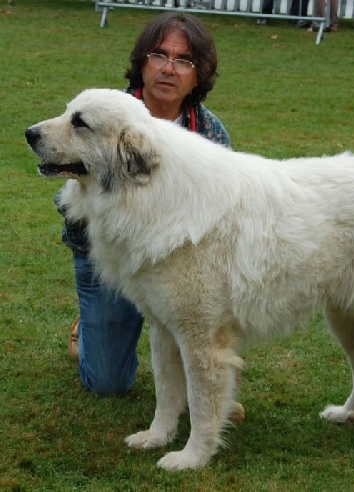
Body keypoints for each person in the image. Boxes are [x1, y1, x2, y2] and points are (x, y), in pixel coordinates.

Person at [58, 12, 245, 421]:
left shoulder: (210, 134)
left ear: (198, 77)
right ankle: (88, 329)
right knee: (108, 383)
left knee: (199, 333)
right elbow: (71, 209)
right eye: (159, 54)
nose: (168, 68)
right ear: (142, 62)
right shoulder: (104, 114)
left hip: (179, 262)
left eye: (183, 60)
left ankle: (197, 386)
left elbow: (224, 220)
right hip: (106, 259)